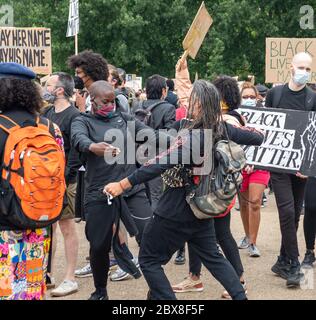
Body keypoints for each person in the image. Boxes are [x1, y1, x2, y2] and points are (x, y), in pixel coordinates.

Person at [104, 79, 264, 300]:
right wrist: (230, 123)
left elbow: (160, 163)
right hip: (203, 208)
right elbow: (258, 136)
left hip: (176, 208)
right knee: (214, 258)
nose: (187, 102)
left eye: (191, 99)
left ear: (198, 104)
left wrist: (123, 184)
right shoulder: (221, 128)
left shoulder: (192, 134)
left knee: (149, 260)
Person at [71, 81, 154, 299]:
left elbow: (150, 134)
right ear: (92, 100)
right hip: (100, 191)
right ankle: (100, 291)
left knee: (149, 238)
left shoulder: (125, 120)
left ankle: (157, 290)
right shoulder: (82, 121)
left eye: (113, 101)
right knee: (98, 246)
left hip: (130, 188)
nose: (110, 105)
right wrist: (92, 147)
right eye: (105, 101)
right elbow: (78, 139)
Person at [172, 75, 247, 299]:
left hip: (216, 188)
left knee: (222, 234)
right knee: (196, 232)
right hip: (202, 187)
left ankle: (239, 279)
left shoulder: (228, 122)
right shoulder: (210, 120)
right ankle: (195, 277)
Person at [0, 62, 64, 300]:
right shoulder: (51, 128)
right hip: (38, 225)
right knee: (30, 291)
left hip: (3, 228)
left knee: (6, 291)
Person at [265, 52, 316, 288]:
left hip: (301, 166)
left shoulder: (312, 98)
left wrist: (308, 166)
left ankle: (282, 260)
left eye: (308, 68)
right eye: (301, 67)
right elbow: (266, 128)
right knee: (286, 211)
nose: (304, 72)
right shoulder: (274, 94)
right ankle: (294, 265)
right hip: (278, 164)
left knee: (295, 213)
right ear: (291, 67)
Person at [42, 72, 81, 297]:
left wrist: (64, 179)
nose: (44, 88)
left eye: (48, 85)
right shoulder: (46, 112)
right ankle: (47, 273)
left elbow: (75, 154)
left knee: (66, 226)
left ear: (59, 90)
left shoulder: (74, 116)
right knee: (49, 227)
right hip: (46, 180)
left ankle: (70, 277)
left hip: (66, 181)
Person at [133, 75, 176, 212]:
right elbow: (170, 136)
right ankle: (152, 227)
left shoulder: (137, 105)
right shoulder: (168, 108)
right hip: (157, 157)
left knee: (141, 194)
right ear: (164, 91)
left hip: (136, 155)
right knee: (156, 194)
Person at [238, 82, 271, 258]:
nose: (249, 99)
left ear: (257, 98)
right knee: (243, 203)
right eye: (245, 97)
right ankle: (247, 234)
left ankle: (253, 242)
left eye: (252, 97)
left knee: (255, 201)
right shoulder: (234, 116)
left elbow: (268, 140)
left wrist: (256, 160)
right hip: (239, 165)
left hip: (260, 165)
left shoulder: (266, 116)